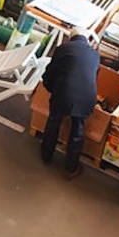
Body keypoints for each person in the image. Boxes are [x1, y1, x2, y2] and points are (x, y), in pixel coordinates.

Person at [41, 26, 101, 177]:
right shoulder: (95, 54)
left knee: (54, 122)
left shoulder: (63, 48)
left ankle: (46, 156)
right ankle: (71, 167)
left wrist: (51, 88)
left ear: (70, 37)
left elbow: (50, 71)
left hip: (64, 93)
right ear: (87, 39)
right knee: (77, 130)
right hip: (86, 97)